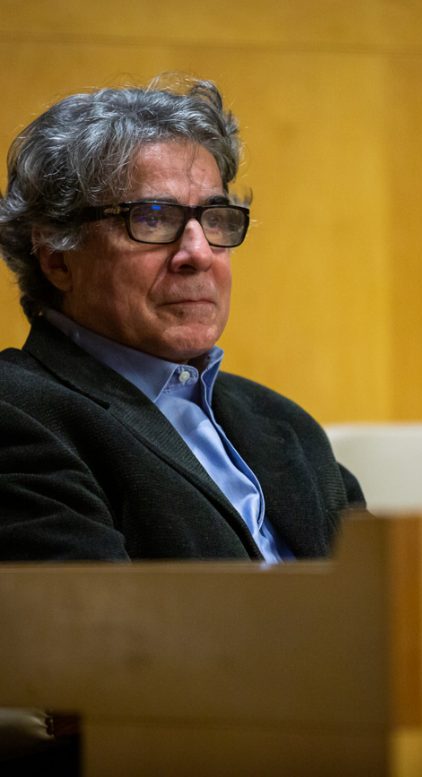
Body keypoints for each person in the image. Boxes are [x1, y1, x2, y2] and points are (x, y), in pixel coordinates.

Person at [0, 75, 364, 564]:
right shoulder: (18, 414)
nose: (199, 253)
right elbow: (93, 611)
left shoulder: (282, 423)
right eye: (152, 218)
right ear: (57, 259)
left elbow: (390, 588)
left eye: (214, 219)